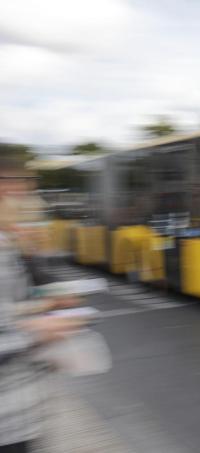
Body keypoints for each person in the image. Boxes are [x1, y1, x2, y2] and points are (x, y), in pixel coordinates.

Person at [0, 155, 84, 453]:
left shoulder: (10, 245)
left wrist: (48, 302)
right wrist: (36, 333)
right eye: (24, 194)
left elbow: (16, 300)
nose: (32, 205)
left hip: (21, 414)